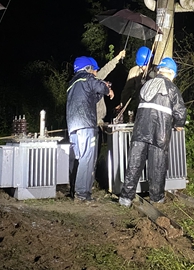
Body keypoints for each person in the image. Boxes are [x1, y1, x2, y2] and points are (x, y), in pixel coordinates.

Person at [118, 57, 186, 207]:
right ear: (171, 72)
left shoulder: (146, 84)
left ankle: (125, 199)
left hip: (140, 130)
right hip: (159, 131)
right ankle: (156, 199)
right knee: (158, 165)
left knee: (134, 164)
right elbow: (180, 111)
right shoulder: (171, 88)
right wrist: (179, 124)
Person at [66, 56, 114, 202]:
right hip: (86, 124)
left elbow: (92, 98)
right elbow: (99, 87)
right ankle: (82, 194)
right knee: (87, 158)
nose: (95, 73)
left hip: (73, 126)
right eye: (94, 70)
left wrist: (103, 90)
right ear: (87, 68)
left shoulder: (72, 83)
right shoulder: (87, 78)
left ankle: (74, 189)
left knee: (78, 158)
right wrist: (107, 89)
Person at [88, 50, 126, 126]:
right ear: (90, 70)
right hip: (93, 122)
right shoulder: (91, 82)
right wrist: (107, 89)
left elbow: (106, 69)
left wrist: (118, 57)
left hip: (97, 120)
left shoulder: (95, 78)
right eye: (95, 70)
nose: (96, 71)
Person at [117, 46, 154, 122]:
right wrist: (122, 104)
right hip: (139, 106)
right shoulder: (134, 71)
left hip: (152, 109)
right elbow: (127, 90)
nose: (141, 67)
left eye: (142, 65)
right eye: (140, 65)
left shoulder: (155, 73)